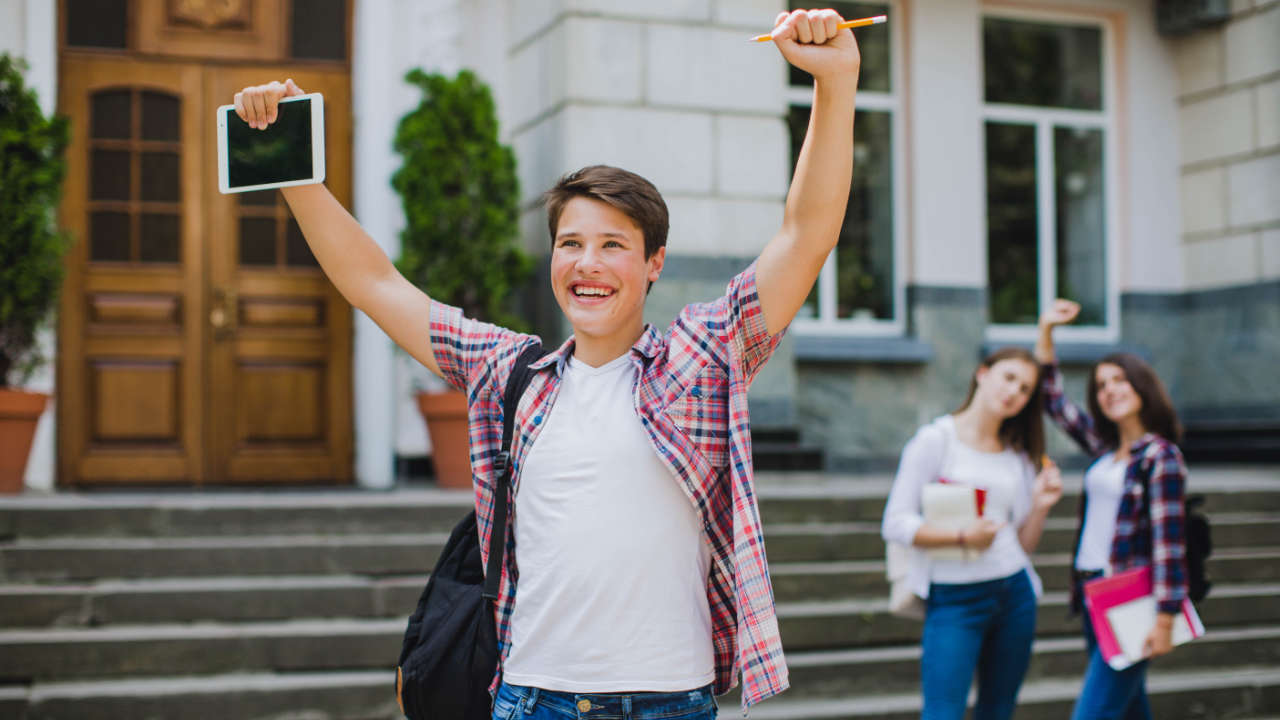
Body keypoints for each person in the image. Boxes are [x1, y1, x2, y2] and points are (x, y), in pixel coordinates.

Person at [232, 8, 861, 718]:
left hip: (671, 703)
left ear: (653, 263)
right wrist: (289, 165)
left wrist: (835, 86)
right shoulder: (507, 373)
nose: (588, 264)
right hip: (535, 701)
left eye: (613, 245)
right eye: (570, 243)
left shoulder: (700, 360)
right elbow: (377, 284)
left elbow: (805, 236)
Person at [881, 347, 1064, 720]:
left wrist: (1041, 506)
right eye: (1009, 377)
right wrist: (964, 536)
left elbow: (1024, 544)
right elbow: (895, 522)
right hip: (954, 599)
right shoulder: (935, 440)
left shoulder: (1017, 454)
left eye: (1026, 388)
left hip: (1015, 594)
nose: (1014, 392)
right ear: (983, 373)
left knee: (998, 711)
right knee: (942, 713)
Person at [1035, 299, 1189, 720]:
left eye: (1119, 380)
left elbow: (1169, 544)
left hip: (1132, 597)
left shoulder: (1160, 457)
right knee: (1128, 709)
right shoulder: (1106, 451)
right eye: (1101, 385)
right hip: (1092, 594)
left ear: (1142, 386)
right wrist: (1046, 331)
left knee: (1094, 712)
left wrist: (1165, 617)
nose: (1109, 391)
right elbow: (1054, 402)